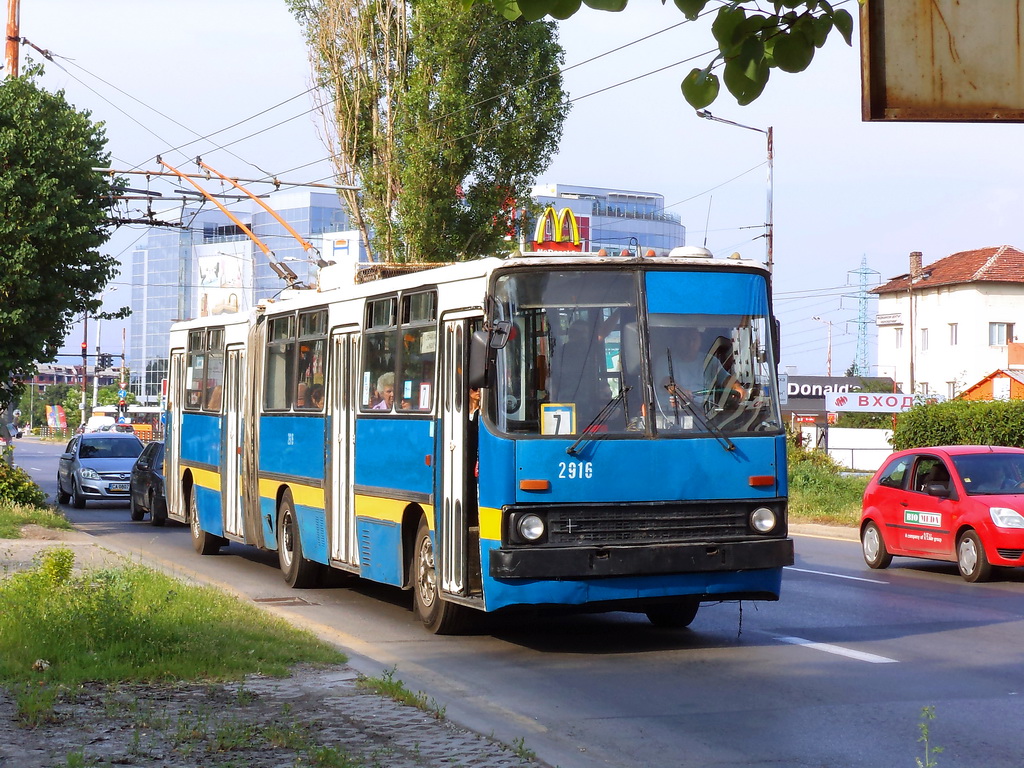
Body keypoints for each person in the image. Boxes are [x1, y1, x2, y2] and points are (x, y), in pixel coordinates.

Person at [649, 325, 729, 427]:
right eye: (686, 338)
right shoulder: (664, 361)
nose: (691, 343)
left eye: (694, 339)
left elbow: (726, 379)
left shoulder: (710, 361)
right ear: (677, 340)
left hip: (706, 417)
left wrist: (739, 389)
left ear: (700, 340)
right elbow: (667, 382)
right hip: (674, 418)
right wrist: (681, 392)